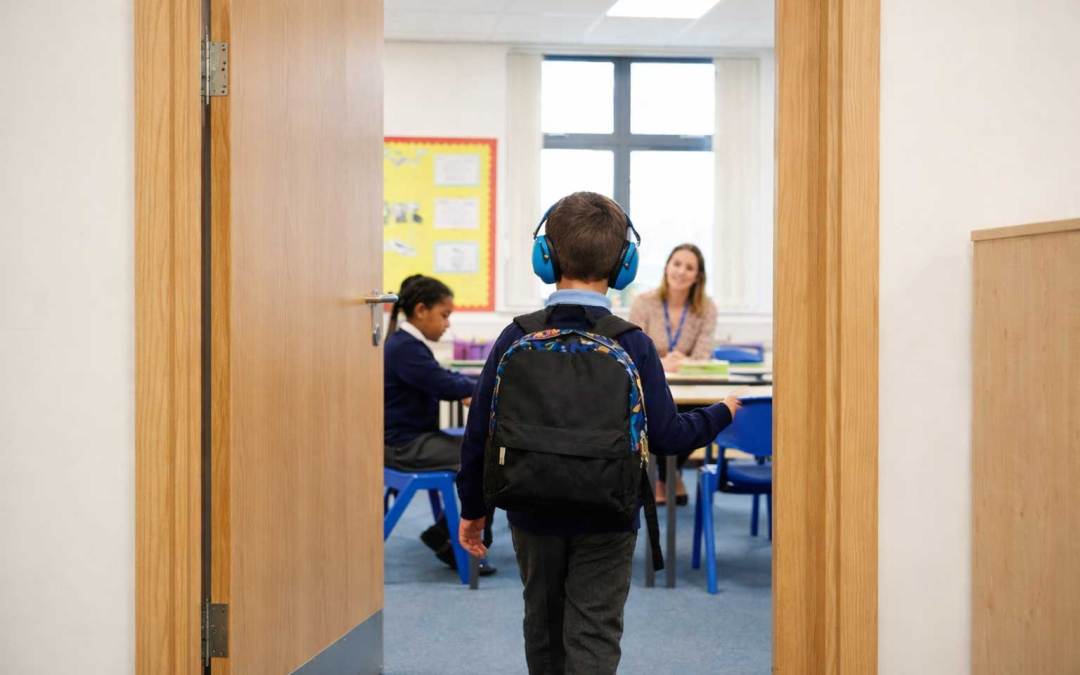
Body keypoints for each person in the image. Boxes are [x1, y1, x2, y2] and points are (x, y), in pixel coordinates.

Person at [455, 193, 740, 675]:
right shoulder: (632, 343)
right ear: (624, 265)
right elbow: (669, 438)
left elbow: (479, 433)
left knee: (542, 626)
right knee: (594, 629)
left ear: (545, 258)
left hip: (531, 509)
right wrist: (721, 413)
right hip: (609, 514)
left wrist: (473, 510)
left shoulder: (514, 337)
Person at [383, 274, 495, 575]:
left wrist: (472, 388)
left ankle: (445, 533)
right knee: (486, 459)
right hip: (404, 446)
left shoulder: (405, 344)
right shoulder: (404, 348)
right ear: (421, 310)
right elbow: (442, 382)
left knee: (481, 450)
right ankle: (450, 538)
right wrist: (478, 389)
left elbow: (441, 377)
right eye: (444, 315)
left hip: (411, 439)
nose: (447, 324)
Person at [628, 243, 718, 506]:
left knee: (701, 409)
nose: (681, 271)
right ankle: (666, 476)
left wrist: (684, 362)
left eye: (689, 267)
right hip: (651, 383)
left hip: (690, 385)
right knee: (659, 413)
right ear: (667, 266)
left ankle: (666, 475)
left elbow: (702, 355)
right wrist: (664, 362)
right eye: (677, 263)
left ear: (698, 276)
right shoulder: (644, 302)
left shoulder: (706, 308)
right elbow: (634, 349)